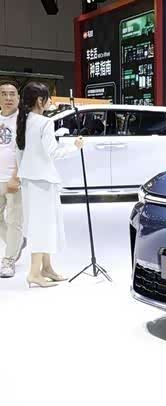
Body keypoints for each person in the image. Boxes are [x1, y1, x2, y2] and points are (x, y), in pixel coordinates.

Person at [16, 82, 84, 288]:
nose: (51, 102)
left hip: (29, 181)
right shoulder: (44, 123)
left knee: (38, 225)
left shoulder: (23, 121)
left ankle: (46, 267)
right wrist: (75, 146)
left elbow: (20, 153)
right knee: (43, 226)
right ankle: (34, 273)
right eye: (48, 98)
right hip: (43, 182)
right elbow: (53, 153)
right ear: (40, 101)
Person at [0, 81, 27, 278]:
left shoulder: (23, 121)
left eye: (12, 94)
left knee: (14, 220)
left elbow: (24, 151)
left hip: (14, 179)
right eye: (4, 94)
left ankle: (9, 261)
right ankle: (18, 242)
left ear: (18, 98)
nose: (8, 98)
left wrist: (16, 177)